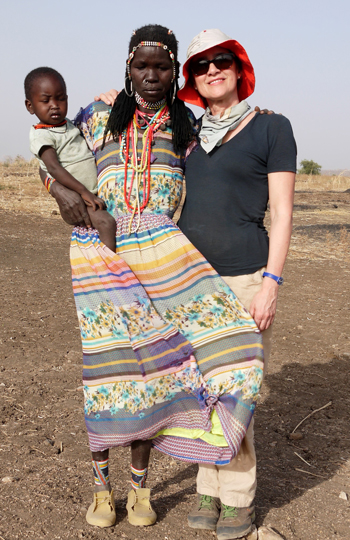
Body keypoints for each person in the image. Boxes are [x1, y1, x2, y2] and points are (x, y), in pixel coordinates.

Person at [40, 25, 265, 534]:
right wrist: (60, 193)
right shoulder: (98, 115)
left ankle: (142, 486)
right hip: (101, 250)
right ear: (128, 66)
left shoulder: (186, 125)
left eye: (161, 67)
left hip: (165, 253)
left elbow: (229, 142)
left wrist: (261, 116)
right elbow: (52, 152)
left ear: (173, 72)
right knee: (109, 370)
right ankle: (102, 487)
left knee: (179, 363)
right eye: (141, 66)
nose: (150, 76)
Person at [174, 29, 296, 539]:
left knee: (234, 392)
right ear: (194, 80)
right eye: (201, 65)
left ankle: (238, 497)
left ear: (238, 67)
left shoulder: (271, 127)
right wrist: (112, 97)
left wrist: (271, 282)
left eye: (221, 60)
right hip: (188, 284)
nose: (212, 70)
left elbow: (285, 214)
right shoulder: (186, 136)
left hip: (245, 277)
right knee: (196, 390)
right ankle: (208, 487)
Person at [25, 67, 116, 251]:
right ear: (30, 106)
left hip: (92, 194)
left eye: (61, 98)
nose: (54, 105)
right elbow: (53, 168)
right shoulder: (41, 134)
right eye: (45, 100)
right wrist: (84, 192)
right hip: (80, 200)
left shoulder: (69, 125)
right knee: (107, 223)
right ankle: (111, 270)